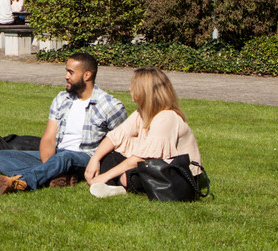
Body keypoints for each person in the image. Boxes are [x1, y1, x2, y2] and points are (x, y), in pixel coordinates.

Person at [0, 52, 127, 193]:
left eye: (70, 72)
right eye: (66, 71)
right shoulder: (61, 99)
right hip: (58, 155)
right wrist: (49, 165)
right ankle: (55, 177)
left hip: (85, 158)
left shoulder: (110, 106)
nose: (66, 76)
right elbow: (48, 138)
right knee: (0, 157)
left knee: (64, 157)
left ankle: (22, 183)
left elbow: (121, 143)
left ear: (87, 75)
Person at [85, 68, 203, 197]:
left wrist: (105, 176)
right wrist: (95, 159)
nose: (130, 89)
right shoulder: (141, 113)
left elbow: (144, 157)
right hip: (151, 165)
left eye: (133, 86)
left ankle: (114, 184)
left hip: (176, 174)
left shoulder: (167, 117)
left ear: (144, 91)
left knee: (128, 176)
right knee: (108, 156)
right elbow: (115, 137)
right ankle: (112, 186)